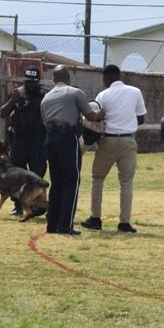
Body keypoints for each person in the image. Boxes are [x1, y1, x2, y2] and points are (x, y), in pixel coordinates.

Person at [82, 65, 147, 234]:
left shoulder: (103, 95)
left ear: (106, 77)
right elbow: (141, 118)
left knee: (97, 178)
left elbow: (96, 118)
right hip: (128, 141)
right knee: (126, 182)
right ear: (120, 75)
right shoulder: (135, 91)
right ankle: (124, 222)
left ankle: (95, 218)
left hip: (109, 140)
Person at [40, 65, 104, 235]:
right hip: (67, 138)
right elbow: (90, 116)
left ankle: (52, 225)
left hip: (50, 139)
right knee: (71, 181)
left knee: (56, 183)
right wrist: (101, 114)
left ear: (54, 79)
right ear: (68, 77)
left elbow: (44, 121)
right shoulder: (75, 92)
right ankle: (65, 225)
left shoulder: (46, 97)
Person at [0, 65, 49, 216]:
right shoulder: (17, 93)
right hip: (19, 140)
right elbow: (3, 113)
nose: (30, 84)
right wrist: (13, 101)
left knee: (37, 174)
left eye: (33, 82)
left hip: (38, 141)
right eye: (28, 81)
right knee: (17, 176)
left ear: (38, 81)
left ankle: (36, 204)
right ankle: (18, 206)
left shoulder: (45, 95)